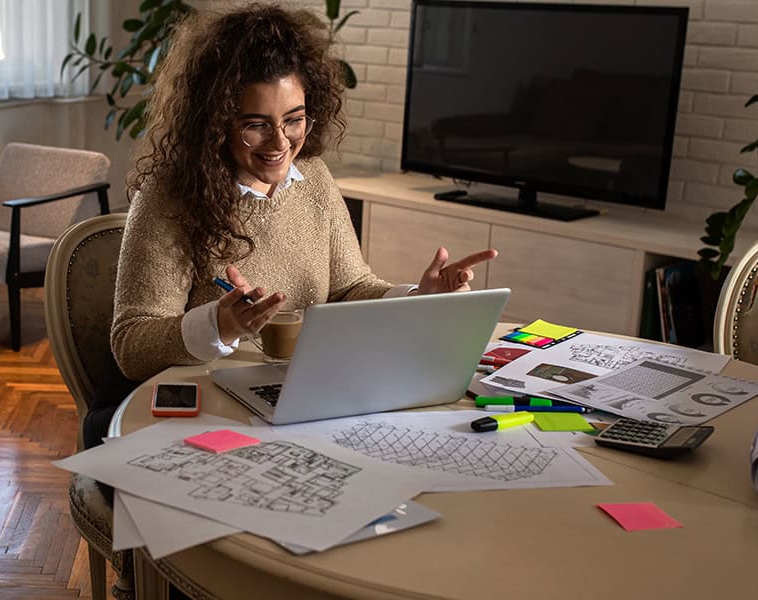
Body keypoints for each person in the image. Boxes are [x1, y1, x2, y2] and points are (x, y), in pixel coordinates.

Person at [97, 4, 497, 447]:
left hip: (299, 403)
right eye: (256, 126)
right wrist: (219, 324)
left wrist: (420, 298)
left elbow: (349, 288)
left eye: (294, 119)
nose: (281, 143)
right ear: (215, 123)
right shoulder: (170, 197)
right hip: (202, 414)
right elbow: (132, 345)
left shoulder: (313, 178)